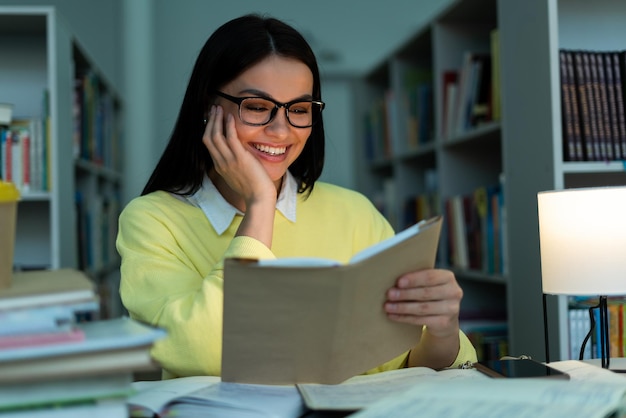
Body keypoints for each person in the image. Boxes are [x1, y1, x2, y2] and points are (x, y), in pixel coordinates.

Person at [116, 13, 477, 380]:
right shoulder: (151, 220)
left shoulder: (353, 212)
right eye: (257, 106)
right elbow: (202, 354)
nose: (280, 130)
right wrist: (260, 204)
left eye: (299, 110)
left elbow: (407, 366)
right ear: (208, 109)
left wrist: (442, 328)